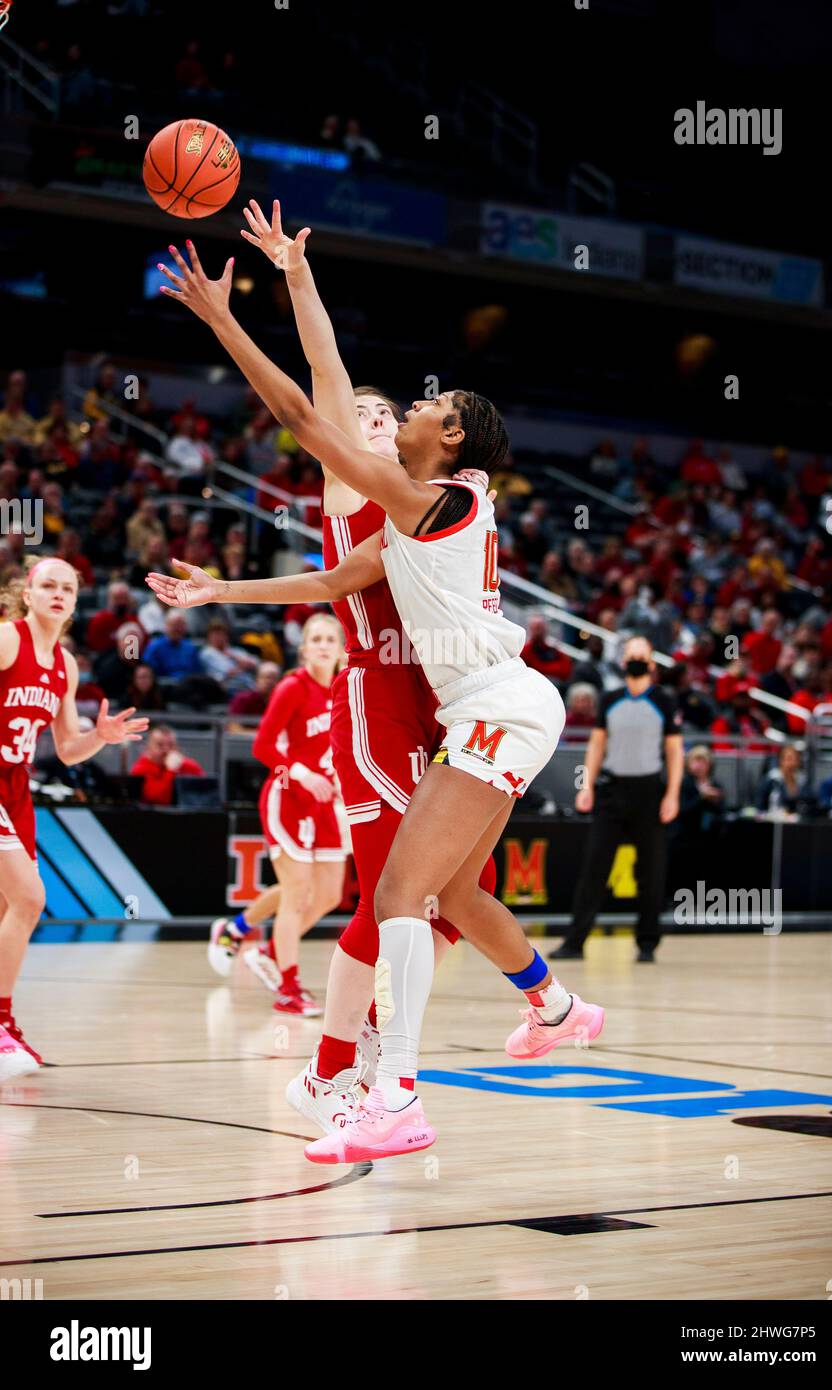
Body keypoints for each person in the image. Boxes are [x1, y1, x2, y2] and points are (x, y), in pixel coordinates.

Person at [149, 231, 605, 1164]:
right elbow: (319, 380)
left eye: (414, 406)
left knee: (399, 893)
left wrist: (227, 321)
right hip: (468, 707)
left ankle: (383, 1088)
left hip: (483, 705)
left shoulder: (423, 498)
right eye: (375, 408)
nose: (388, 410)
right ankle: (552, 1007)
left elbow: (299, 405)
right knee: (449, 894)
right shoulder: (405, 505)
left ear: (444, 443)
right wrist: (296, 273)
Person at [0, 558, 147, 1081]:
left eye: (67, 588)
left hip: (15, 786)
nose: (58, 594)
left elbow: (65, 750)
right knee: (31, 898)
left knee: (8, 908)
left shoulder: (66, 665)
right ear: (29, 593)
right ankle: (1, 1023)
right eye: (48, 585)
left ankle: (4, 1022)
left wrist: (99, 739)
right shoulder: (7, 640)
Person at [212, 614, 347, 1015]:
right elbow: (263, 747)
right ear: (303, 649)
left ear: (342, 648)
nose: (323, 645)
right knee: (296, 892)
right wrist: (303, 775)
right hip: (288, 798)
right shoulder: (292, 688)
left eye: (330, 639)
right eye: (315, 639)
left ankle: (257, 942)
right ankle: (288, 987)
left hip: (326, 803)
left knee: (327, 895)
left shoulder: (345, 690)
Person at [552, 635, 684, 963]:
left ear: (652, 664)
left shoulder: (664, 700)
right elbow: (597, 745)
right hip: (613, 791)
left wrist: (672, 794)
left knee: (650, 871)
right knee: (595, 866)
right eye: (631, 654)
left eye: (643, 654)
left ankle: (647, 944)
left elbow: (674, 751)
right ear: (623, 662)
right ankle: (574, 942)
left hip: (649, 793)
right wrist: (588, 786)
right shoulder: (610, 699)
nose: (636, 659)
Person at [130, 724, 204, 806]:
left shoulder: (189, 766)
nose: (166, 749)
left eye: (171, 745)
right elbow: (157, 800)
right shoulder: (141, 768)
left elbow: (202, 798)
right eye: (160, 745)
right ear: (148, 748)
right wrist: (171, 771)